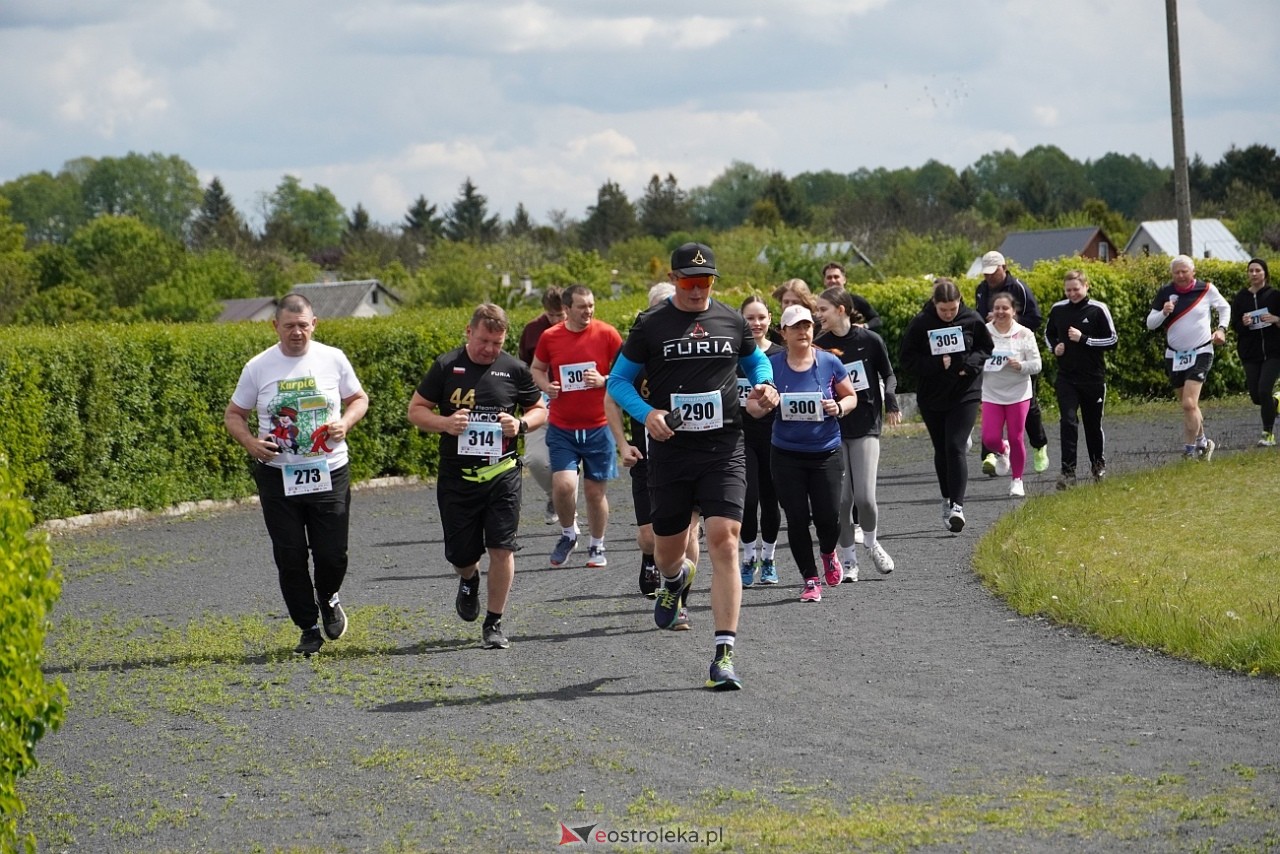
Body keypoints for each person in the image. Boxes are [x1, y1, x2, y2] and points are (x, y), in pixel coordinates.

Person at [607, 242, 780, 691]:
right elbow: (619, 381)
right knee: (669, 551)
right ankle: (674, 579)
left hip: (724, 447)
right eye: (688, 281)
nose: (698, 289)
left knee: (724, 539)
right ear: (674, 278)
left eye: (705, 282)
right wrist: (647, 414)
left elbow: (756, 357)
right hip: (671, 451)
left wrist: (764, 384)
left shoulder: (729, 319)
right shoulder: (650, 324)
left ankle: (723, 654)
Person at [223, 293, 369, 656]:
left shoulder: (333, 359)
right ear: (275, 327)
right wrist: (251, 444)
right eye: (289, 326)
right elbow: (233, 415)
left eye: (303, 325)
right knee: (289, 555)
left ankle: (329, 596)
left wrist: (345, 423)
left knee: (332, 553)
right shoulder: (258, 366)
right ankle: (308, 627)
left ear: (314, 324)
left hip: (329, 470)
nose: (297, 333)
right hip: (277, 475)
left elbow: (359, 399)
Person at [407, 303, 548, 649]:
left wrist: (521, 424)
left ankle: (494, 622)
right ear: (469, 333)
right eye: (484, 340)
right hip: (457, 476)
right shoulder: (445, 366)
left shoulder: (514, 369)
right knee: (461, 555)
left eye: (497, 343)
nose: (490, 349)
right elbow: (416, 410)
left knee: (502, 547)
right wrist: (445, 424)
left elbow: (540, 408)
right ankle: (468, 579)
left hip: (503, 474)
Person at [604, 281, 700, 625]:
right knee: (650, 537)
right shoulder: (638, 349)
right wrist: (622, 443)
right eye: (661, 308)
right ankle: (651, 560)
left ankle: (679, 603)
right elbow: (611, 396)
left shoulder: (696, 349)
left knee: (689, 533)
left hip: (693, 455)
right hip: (647, 457)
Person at [768, 305, 859, 602]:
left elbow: (851, 397)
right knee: (795, 518)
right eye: (795, 327)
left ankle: (828, 552)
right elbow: (755, 405)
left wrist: (839, 407)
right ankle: (809, 580)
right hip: (786, 453)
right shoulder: (772, 365)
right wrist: (767, 403)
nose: (802, 332)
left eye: (806, 326)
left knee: (829, 517)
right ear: (783, 333)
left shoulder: (829, 361)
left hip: (825, 451)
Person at [531, 285, 623, 568]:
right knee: (563, 486)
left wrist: (604, 380)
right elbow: (536, 369)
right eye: (582, 306)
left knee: (595, 493)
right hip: (563, 425)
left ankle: (597, 545)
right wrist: (547, 386)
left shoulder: (607, 334)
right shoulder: (550, 337)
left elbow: (627, 373)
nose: (588, 311)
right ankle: (569, 534)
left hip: (599, 425)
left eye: (592, 305)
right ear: (567, 309)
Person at [814, 287, 900, 580]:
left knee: (864, 498)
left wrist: (890, 398)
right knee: (842, 501)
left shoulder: (870, 340)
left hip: (865, 423)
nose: (818, 315)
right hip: (832, 428)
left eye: (823, 309)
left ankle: (873, 543)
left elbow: (888, 373)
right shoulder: (819, 346)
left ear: (841, 310)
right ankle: (849, 561)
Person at [899, 278, 994, 533]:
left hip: (965, 392)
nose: (948, 314)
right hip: (932, 395)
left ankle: (958, 506)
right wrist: (934, 364)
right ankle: (946, 498)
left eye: (953, 309)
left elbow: (987, 348)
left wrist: (969, 366)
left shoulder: (972, 319)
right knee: (941, 449)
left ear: (959, 301)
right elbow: (906, 359)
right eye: (943, 310)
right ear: (934, 304)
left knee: (955, 446)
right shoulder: (921, 323)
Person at [1145, 254, 1231, 460]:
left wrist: (1221, 330)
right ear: (1171, 274)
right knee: (1188, 404)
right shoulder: (1165, 292)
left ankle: (1189, 450)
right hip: (1174, 355)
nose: (1181, 275)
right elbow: (1150, 323)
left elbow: (1224, 307)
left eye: (1185, 271)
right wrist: (1163, 313)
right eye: (1177, 272)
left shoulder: (1206, 289)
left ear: (1193, 272)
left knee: (1188, 403)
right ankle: (1203, 442)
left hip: (1201, 351)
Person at [975, 251, 1050, 475]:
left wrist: (1008, 319)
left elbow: (1035, 319)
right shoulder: (981, 289)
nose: (989, 278)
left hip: (1019, 355)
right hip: (992, 353)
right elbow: (978, 319)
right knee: (988, 405)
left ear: (1003, 267)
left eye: (993, 273)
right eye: (986, 273)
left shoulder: (1019, 288)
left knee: (1030, 407)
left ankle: (1039, 446)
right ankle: (990, 452)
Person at [1045, 270, 1119, 488]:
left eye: (1076, 289)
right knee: (1068, 421)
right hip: (1067, 377)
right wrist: (1054, 348)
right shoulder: (1058, 309)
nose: (1072, 293)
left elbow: (1112, 340)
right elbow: (1048, 334)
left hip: (1093, 378)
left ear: (1086, 286)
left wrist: (1084, 339)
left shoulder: (1098, 309)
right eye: (1068, 290)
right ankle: (1068, 473)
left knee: (1092, 425)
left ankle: (1098, 466)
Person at [737, 295, 784, 587]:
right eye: (750, 318)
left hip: (774, 437)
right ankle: (747, 557)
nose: (756, 323)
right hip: (740, 437)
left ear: (769, 319)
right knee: (747, 498)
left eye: (761, 318)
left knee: (770, 500)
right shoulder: (733, 354)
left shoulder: (780, 354)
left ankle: (768, 558)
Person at [981, 291, 1042, 498]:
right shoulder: (984, 331)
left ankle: (1017, 480)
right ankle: (1002, 449)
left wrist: (1021, 365)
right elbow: (973, 357)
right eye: (997, 308)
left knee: (1016, 438)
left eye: (1005, 308)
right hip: (991, 392)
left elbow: (1037, 364)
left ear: (1013, 311)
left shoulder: (1025, 333)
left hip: (1018, 393)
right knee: (989, 438)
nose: (1000, 312)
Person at [517, 287, 566, 524]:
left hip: (573, 405)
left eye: (560, 315)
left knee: (567, 463)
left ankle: (566, 507)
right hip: (539, 402)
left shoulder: (582, 326)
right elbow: (523, 368)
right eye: (551, 315)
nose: (556, 320)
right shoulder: (532, 330)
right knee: (535, 460)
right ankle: (554, 496)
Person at [1230, 258, 1280, 447]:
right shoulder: (1241, 298)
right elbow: (1235, 325)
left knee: (1264, 389)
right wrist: (1243, 324)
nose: (1254, 274)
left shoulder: (1275, 295)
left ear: (1265, 273)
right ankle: (1275, 403)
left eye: (1257, 270)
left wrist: (1276, 319)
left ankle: (1268, 434)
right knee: (1256, 396)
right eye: (1250, 271)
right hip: (1250, 353)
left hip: (1274, 352)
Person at [821, 261, 883, 331]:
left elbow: (877, 320)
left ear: (844, 280)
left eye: (836, 277)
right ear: (824, 281)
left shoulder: (857, 300)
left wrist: (864, 326)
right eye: (829, 277)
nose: (833, 280)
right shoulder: (819, 304)